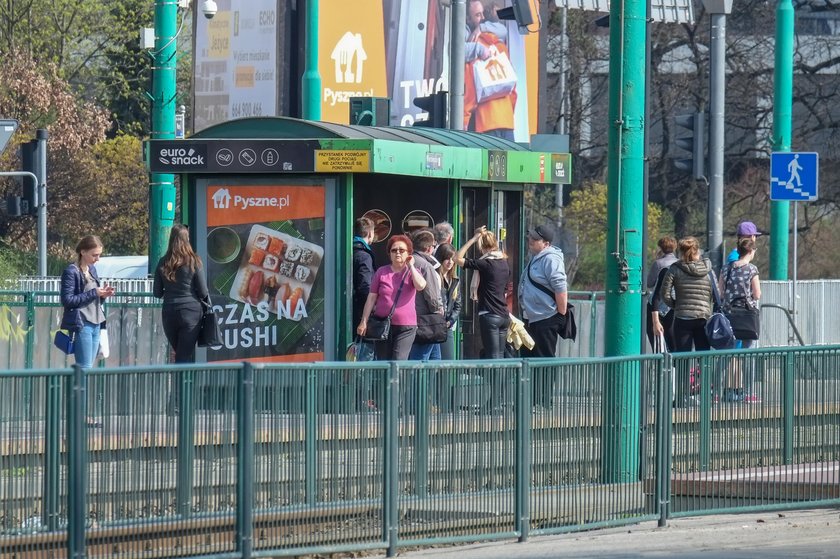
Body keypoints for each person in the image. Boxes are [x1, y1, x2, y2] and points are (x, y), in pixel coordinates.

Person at [60, 235, 116, 426]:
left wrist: (103, 295)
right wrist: (95, 293)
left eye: (99, 255)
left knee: (88, 368)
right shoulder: (71, 271)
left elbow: (93, 297)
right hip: (81, 323)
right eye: (95, 255)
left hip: (95, 322)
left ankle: (80, 413)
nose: (97, 259)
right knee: (83, 368)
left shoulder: (91, 270)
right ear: (83, 252)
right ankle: (78, 415)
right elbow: (68, 300)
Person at [518, 223, 568, 411]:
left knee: (544, 358)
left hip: (546, 317)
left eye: (535, 239)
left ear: (545, 243)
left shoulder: (550, 259)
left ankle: (543, 400)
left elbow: (560, 287)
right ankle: (532, 399)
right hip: (533, 318)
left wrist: (560, 314)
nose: (530, 241)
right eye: (530, 237)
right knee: (530, 358)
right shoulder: (537, 257)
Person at [357, 235, 427, 360]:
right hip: (382, 324)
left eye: (402, 250)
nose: (398, 253)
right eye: (394, 250)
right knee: (384, 362)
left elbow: (421, 285)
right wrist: (364, 321)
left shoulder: (413, 271)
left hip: (406, 326)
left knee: (398, 361)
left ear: (408, 253)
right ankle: (386, 381)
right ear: (389, 254)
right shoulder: (381, 272)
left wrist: (411, 266)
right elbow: (371, 298)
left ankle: (397, 381)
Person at [153, 224, 210, 364]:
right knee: (183, 356)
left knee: (179, 353)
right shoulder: (193, 260)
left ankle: (180, 384)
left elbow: (157, 293)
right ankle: (183, 386)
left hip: (169, 313)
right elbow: (203, 292)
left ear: (171, 239)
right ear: (187, 239)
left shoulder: (163, 261)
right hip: (191, 312)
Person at [455, 226, 510, 360]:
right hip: (504, 316)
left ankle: (495, 381)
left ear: (481, 246)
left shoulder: (485, 263)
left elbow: (457, 258)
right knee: (500, 356)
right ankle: (501, 381)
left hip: (489, 315)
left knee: (492, 356)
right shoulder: (504, 263)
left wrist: (473, 239)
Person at [463, 0, 516, 139]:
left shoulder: (474, 51)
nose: (482, 19)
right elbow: (514, 90)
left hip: (485, 123)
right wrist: (509, 113)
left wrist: (464, 120)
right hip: (507, 121)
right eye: (478, 15)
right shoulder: (500, 46)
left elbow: (470, 92)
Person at [720, 237, 762, 403]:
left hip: (729, 315)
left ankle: (716, 388)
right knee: (747, 353)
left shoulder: (726, 268)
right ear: (751, 251)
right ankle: (747, 391)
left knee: (726, 353)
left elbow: (721, 291)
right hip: (746, 315)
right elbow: (757, 294)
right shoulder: (752, 269)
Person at [660, 237, 716, 353]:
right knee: (703, 355)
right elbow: (716, 293)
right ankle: (703, 371)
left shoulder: (674, 269)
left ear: (680, 252)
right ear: (698, 251)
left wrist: (676, 305)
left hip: (682, 317)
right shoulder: (708, 269)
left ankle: (684, 372)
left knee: (683, 357)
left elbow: (664, 294)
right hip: (703, 317)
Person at [408, 229, 445, 361]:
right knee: (421, 358)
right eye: (434, 246)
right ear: (429, 248)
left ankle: (433, 382)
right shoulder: (425, 265)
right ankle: (418, 383)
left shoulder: (409, 261)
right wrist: (439, 310)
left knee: (435, 357)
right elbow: (432, 295)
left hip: (413, 317)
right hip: (427, 319)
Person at [647, 236, 678, 353]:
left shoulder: (658, 264)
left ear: (660, 248)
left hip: (657, 306)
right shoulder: (679, 263)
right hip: (674, 306)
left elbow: (650, 283)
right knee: (673, 341)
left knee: (657, 343)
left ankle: (660, 367)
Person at [434, 243, 461, 360]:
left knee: (448, 362)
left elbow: (458, 305)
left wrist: (450, 321)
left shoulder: (454, 279)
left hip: (447, 327)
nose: (450, 262)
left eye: (452, 259)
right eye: (447, 258)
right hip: (433, 325)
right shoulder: (434, 275)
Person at [352, 217, 376, 332]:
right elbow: (364, 286)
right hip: (359, 311)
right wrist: (370, 309)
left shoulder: (346, 250)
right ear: (370, 233)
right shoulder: (364, 256)